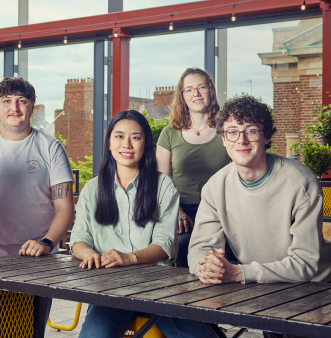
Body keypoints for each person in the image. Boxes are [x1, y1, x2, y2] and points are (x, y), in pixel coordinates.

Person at [188, 96, 331, 337]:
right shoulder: (215, 187)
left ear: (266, 137)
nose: (241, 140)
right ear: (223, 139)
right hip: (263, 287)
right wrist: (206, 267)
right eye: (232, 132)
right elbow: (199, 249)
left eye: (251, 131)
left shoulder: (301, 183)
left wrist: (238, 273)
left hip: (315, 290)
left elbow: (305, 264)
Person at [71, 110, 216, 338]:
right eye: (119, 136)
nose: (127, 144)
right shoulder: (92, 188)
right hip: (109, 289)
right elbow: (78, 239)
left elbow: (165, 244)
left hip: (160, 286)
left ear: (145, 143)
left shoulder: (163, 185)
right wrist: (88, 253)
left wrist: (129, 258)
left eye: (135, 137)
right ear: (109, 143)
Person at [0, 77, 75, 324]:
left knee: (30, 331)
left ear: (32, 106)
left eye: (22, 101)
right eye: (7, 101)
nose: (14, 107)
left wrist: (46, 242)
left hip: (38, 262)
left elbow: (65, 209)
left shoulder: (51, 148)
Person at [156, 68, 230, 268]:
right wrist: (177, 211)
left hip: (219, 210)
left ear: (211, 91)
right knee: (182, 247)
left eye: (201, 87)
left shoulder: (226, 130)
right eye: (188, 90)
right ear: (182, 97)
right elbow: (162, 180)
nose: (195, 93)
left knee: (225, 254)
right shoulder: (169, 134)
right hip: (181, 212)